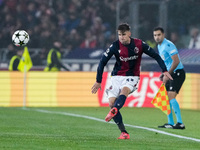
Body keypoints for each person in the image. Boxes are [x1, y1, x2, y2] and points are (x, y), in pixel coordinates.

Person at [91, 23, 173, 139]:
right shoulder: (115, 46)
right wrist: (98, 80)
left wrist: (164, 70)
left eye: (123, 34)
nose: (121, 37)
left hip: (132, 76)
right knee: (111, 103)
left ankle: (115, 110)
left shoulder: (139, 44)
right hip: (116, 76)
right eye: (119, 35)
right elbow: (102, 62)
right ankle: (124, 132)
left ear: (129, 33)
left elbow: (156, 56)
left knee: (124, 90)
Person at [153, 27, 186, 129]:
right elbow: (167, 62)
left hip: (178, 73)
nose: (157, 37)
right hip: (171, 73)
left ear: (163, 35)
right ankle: (170, 123)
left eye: (159, 35)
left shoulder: (168, 45)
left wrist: (168, 74)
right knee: (166, 98)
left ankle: (180, 123)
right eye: (155, 35)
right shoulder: (160, 46)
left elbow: (176, 61)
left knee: (171, 97)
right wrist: (164, 73)